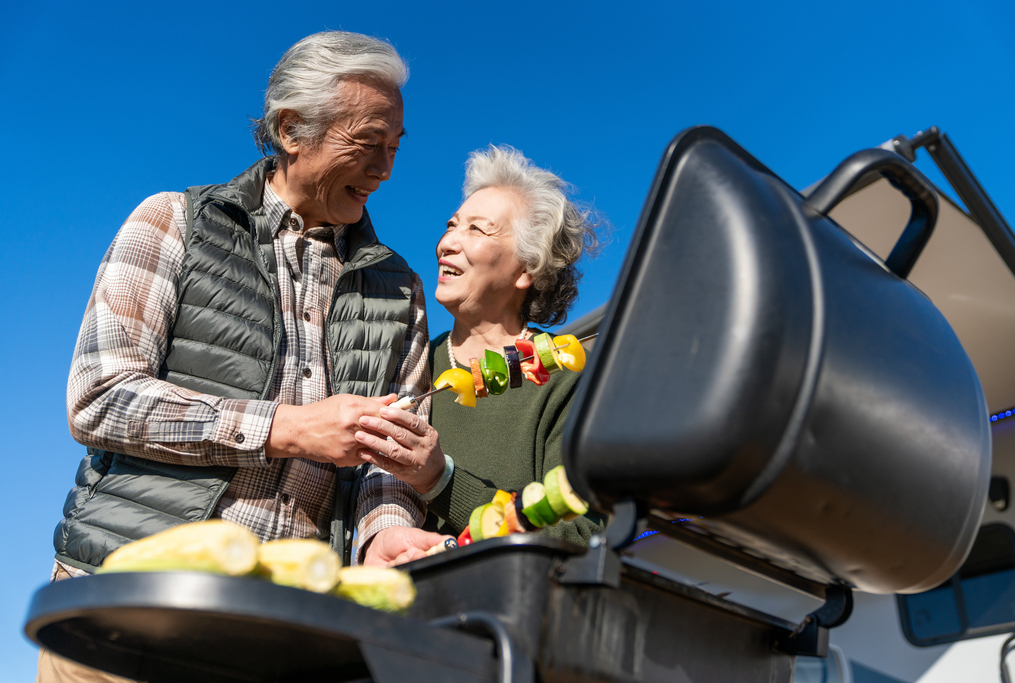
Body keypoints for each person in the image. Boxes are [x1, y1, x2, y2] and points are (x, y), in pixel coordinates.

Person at [40, 31, 447, 683]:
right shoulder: (171, 221)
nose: (385, 169)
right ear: (292, 129)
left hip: (282, 639)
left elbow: (389, 460)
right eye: (368, 143)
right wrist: (285, 428)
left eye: (394, 148)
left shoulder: (399, 286)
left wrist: (386, 530)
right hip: (127, 612)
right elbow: (99, 397)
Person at [353, 145, 604, 546]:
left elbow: (581, 533)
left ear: (527, 268)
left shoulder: (568, 376)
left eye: (477, 229)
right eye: (451, 225)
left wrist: (441, 480)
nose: (447, 242)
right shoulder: (408, 362)